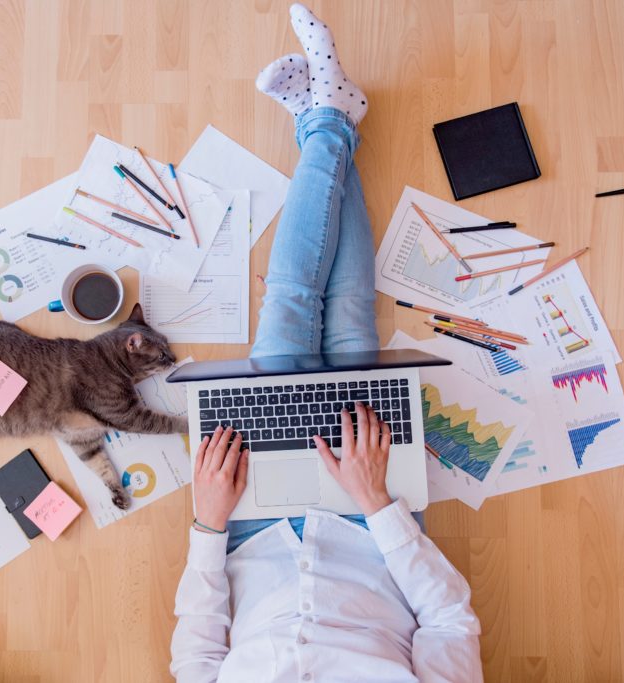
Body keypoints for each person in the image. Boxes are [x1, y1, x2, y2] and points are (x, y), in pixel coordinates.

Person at [169, 5, 482, 682]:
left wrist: (208, 524)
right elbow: (452, 621)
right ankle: (326, 119)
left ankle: (328, 117)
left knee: (289, 304)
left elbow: (196, 656)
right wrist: (374, 500)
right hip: (371, 522)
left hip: (247, 521)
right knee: (343, 313)